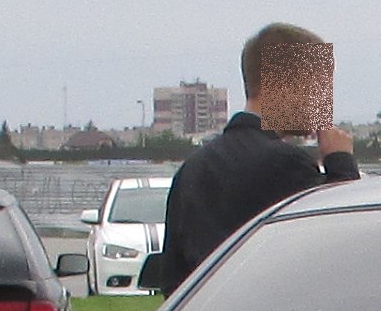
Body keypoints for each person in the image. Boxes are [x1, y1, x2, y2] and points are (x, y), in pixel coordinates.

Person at [151, 23, 358, 295]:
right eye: (318, 88)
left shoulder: (192, 169)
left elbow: (173, 278)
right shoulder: (286, 164)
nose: (323, 104)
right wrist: (340, 161)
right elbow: (342, 243)